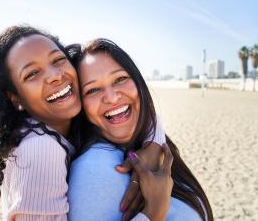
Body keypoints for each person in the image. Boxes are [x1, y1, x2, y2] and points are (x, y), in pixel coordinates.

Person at [0, 25, 173, 221]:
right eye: (32, 74)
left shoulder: (65, 124)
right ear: (15, 98)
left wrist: (153, 146)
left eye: (57, 60)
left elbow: (138, 110)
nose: (55, 75)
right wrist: (153, 212)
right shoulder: (39, 149)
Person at [67, 38, 214, 221]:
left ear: (138, 82)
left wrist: (154, 142)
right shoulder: (93, 170)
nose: (112, 98)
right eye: (92, 90)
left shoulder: (153, 144)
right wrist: (153, 213)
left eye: (120, 79)